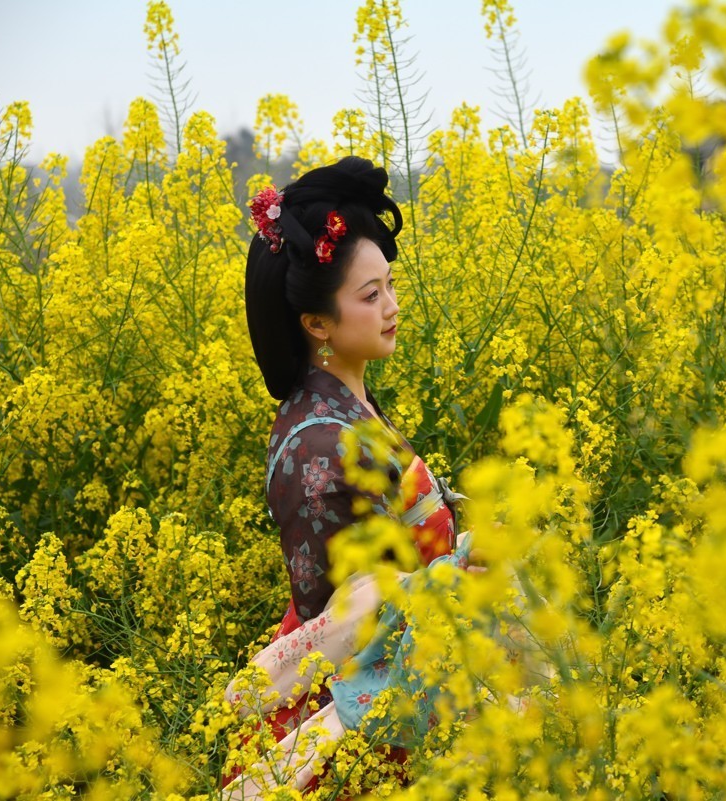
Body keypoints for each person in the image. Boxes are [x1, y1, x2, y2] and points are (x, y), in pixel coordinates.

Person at [224, 156, 470, 798]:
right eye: (370, 295)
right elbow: (344, 622)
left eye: (389, 285)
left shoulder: (347, 406)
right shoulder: (321, 448)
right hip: (364, 717)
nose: (392, 307)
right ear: (316, 323)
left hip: (413, 680)